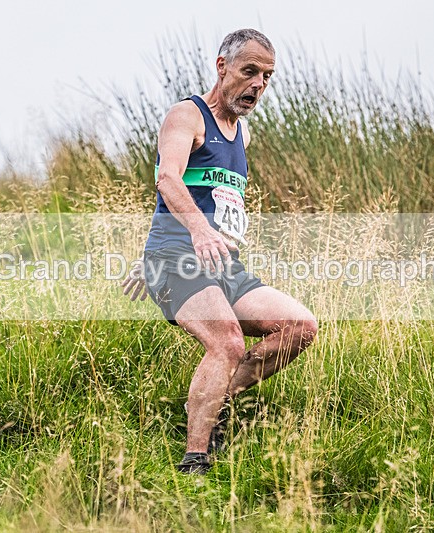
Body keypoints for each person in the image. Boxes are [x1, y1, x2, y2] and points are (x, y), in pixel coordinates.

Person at [122, 29, 318, 475]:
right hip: (176, 259)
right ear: (222, 66)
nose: (258, 86)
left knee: (300, 326)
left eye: (267, 77)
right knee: (227, 340)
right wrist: (174, 244)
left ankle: (215, 398)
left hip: (222, 265)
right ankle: (195, 460)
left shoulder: (242, 136)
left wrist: (212, 235)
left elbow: (213, 201)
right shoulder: (185, 117)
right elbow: (168, 180)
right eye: (250, 72)